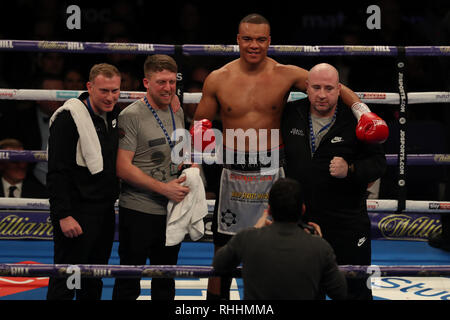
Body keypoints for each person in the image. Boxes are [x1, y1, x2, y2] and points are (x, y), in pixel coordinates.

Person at [192, 13, 388, 300]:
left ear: (269, 41)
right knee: (223, 251)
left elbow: (330, 85)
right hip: (234, 175)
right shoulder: (218, 79)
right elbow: (199, 127)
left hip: (273, 175)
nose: (254, 45)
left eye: (260, 39)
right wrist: (193, 164)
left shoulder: (287, 74)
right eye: (247, 38)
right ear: (237, 40)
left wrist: (362, 111)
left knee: (276, 250)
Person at [281, 63, 387, 300]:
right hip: (303, 223)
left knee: (355, 291)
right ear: (306, 88)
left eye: (329, 88)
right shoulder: (290, 113)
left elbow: (378, 164)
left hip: (346, 222)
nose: (321, 94)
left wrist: (350, 169)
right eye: (316, 87)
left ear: (340, 90)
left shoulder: (356, 120)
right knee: (305, 291)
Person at [112, 54, 188, 300]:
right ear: (146, 83)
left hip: (170, 212)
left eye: (171, 82)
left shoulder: (177, 110)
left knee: (165, 283)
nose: (168, 88)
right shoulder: (131, 116)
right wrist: (164, 188)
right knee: (128, 283)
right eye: (161, 83)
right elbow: (122, 168)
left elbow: (179, 152)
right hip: (138, 211)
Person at [46, 63, 122, 300]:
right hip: (76, 211)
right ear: (90, 87)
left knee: (93, 277)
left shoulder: (114, 117)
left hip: (104, 211)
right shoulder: (68, 119)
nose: (110, 97)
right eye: (104, 91)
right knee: (68, 276)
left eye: (115, 91)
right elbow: (56, 171)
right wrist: (64, 215)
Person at [213, 177, 347, 300]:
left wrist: (254, 230)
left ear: (269, 210)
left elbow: (219, 264)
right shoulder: (319, 247)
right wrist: (319, 247)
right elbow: (340, 292)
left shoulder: (247, 238)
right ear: (303, 210)